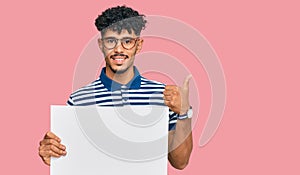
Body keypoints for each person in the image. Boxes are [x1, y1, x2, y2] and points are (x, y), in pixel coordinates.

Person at [38, 5, 193, 170]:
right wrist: (52, 151)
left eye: (127, 41)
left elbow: (180, 162)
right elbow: (71, 158)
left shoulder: (163, 96)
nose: (119, 49)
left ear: (138, 45)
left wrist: (184, 112)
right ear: (101, 45)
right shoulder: (78, 99)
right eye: (111, 41)